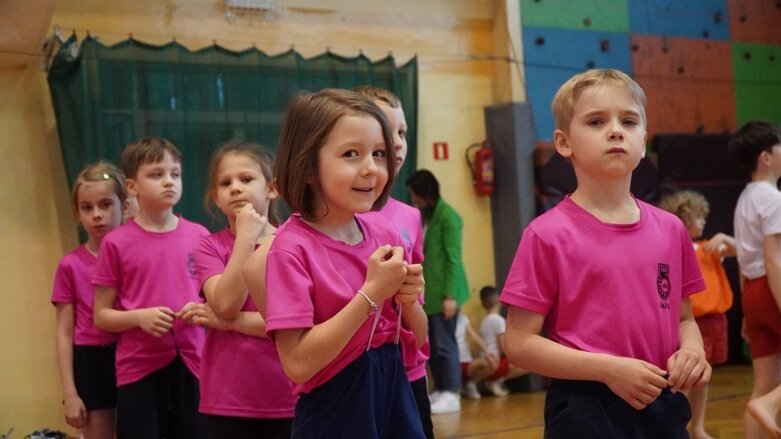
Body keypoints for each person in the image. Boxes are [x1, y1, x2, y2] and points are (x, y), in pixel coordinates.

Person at [500, 68, 711, 438]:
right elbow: (518, 343)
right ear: (564, 143)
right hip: (586, 406)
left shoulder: (671, 229)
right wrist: (607, 369)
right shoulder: (546, 235)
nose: (615, 130)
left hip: (661, 398)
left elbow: (684, 319)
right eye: (596, 121)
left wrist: (693, 351)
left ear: (643, 142)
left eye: (628, 121)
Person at [263, 88, 428, 438]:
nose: (371, 168)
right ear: (307, 165)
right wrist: (370, 294)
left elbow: (419, 337)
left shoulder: (386, 235)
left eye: (379, 154)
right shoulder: (291, 249)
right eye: (351, 154)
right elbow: (298, 363)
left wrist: (410, 302)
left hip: (393, 393)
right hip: (335, 408)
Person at [92, 137, 210, 438]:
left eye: (175, 174)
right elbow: (101, 315)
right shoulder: (116, 243)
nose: (168, 182)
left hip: (194, 365)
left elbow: (216, 302)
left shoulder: (199, 235)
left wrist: (202, 311)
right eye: (157, 174)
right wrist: (138, 317)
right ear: (132, 187)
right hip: (139, 369)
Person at [180, 141, 296, 438]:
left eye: (246, 179)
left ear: (271, 188)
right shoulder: (209, 246)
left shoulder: (294, 242)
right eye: (225, 182)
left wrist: (224, 323)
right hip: (228, 399)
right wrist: (246, 239)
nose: (235, 188)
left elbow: (292, 324)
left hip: (290, 394)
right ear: (215, 198)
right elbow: (227, 303)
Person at [354, 85, 433, 438]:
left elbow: (416, 309)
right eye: (386, 131)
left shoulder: (410, 217)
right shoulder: (335, 218)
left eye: (402, 131)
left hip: (407, 371)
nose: (397, 142)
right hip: (353, 374)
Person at [52, 161, 126, 439]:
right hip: (91, 360)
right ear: (77, 213)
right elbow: (64, 331)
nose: (97, 215)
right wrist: (70, 393)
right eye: (87, 207)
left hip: (133, 353)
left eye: (106, 204)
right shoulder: (70, 265)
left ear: (125, 206)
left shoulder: (134, 257)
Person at [659, 190, 736, 439]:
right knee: (682, 379)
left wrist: (724, 237)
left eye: (704, 217)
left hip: (715, 320)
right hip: (689, 324)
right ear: (682, 218)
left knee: (703, 378)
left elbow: (741, 250)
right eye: (698, 217)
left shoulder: (710, 248)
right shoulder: (671, 247)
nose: (703, 222)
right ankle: (674, 425)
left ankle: (698, 426)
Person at [728, 120, 781, 439]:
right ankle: (771, 405)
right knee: (768, 397)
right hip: (772, 289)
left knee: (762, 386)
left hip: (753, 292)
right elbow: (774, 259)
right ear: (766, 156)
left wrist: (748, 310)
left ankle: (766, 403)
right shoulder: (773, 199)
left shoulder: (745, 198)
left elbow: (744, 260)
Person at [406, 168, 470, 414]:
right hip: (430, 293)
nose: (414, 200)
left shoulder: (449, 218)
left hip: (445, 292)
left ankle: (453, 391)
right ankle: (442, 389)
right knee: (432, 345)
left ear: (427, 193)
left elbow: (453, 259)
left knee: (445, 344)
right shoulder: (425, 215)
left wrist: (450, 296)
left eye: (416, 195)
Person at [478, 286, 527, 397]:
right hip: (495, 362)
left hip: (485, 360)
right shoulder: (499, 320)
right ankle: (497, 381)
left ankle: (494, 381)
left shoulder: (484, 321)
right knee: (529, 364)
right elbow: (503, 347)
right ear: (499, 301)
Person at [455, 311, 497, 400]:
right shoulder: (439, 319)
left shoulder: (462, 318)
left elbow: (474, 337)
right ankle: (455, 387)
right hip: (452, 361)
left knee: (490, 361)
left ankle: (471, 384)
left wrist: (487, 351)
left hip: (466, 361)